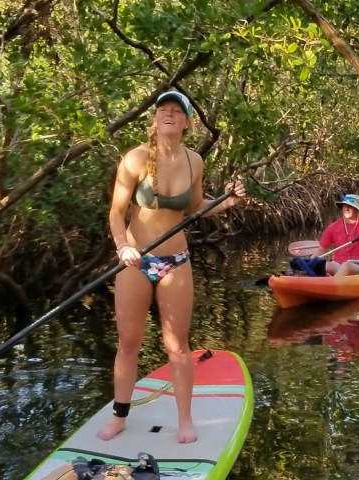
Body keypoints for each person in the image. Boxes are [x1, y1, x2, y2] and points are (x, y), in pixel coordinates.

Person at [98, 90, 247, 444]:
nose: (168, 114)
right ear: (155, 119)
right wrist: (122, 248)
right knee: (128, 344)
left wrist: (229, 202)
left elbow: (194, 207)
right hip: (134, 260)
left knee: (177, 345)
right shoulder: (134, 159)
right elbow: (116, 214)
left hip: (176, 262)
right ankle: (120, 416)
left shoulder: (194, 161)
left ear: (186, 122)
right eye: (162, 110)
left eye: (175, 111)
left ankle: (184, 420)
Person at [311, 194, 359, 277]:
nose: (346, 208)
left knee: (346, 266)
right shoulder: (333, 227)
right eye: (344, 206)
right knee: (319, 264)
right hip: (337, 264)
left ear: (357, 209)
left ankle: (332, 285)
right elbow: (321, 250)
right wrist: (309, 263)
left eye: (350, 206)